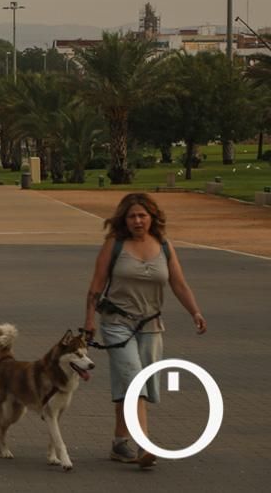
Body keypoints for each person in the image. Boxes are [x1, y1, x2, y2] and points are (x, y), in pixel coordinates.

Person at [83, 192, 206, 469]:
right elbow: (95, 286)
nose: (138, 221)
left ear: (152, 217)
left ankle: (119, 442)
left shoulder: (163, 245)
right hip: (117, 323)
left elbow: (179, 284)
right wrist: (89, 321)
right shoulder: (114, 244)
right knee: (134, 378)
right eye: (132, 216)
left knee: (135, 384)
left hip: (150, 325)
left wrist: (195, 312)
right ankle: (144, 444)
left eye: (142, 215)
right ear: (123, 220)